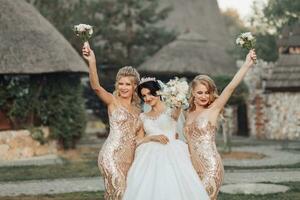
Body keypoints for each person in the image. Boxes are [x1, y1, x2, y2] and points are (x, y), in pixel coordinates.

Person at [184, 50, 257, 199]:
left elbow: (230, 87)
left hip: (210, 167)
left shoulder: (213, 110)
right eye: (200, 93)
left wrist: (246, 64)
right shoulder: (186, 114)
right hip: (190, 168)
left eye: (207, 92)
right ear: (192, 93)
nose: (204, 96)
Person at [123, 78, 209, 200]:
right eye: (144, 96)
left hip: (172, 151)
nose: (147, 98)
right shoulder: (143, 117)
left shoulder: (171, 109)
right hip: (148, 155)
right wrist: (152, 137)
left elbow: (176, 112)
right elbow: (138, 140)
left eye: (150, 93)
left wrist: (178, 95)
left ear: (158, 92)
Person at [82, 44, 142, 200]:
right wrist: (92, 61)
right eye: (120, 83)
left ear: (135, 86)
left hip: (130, 159)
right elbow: (96, 87)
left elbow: (140, 138)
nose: (123, 87)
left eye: (127, 84)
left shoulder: (138, 111)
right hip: (111, 156)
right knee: (119, 193)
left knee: (123, 196)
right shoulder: (113, 101)